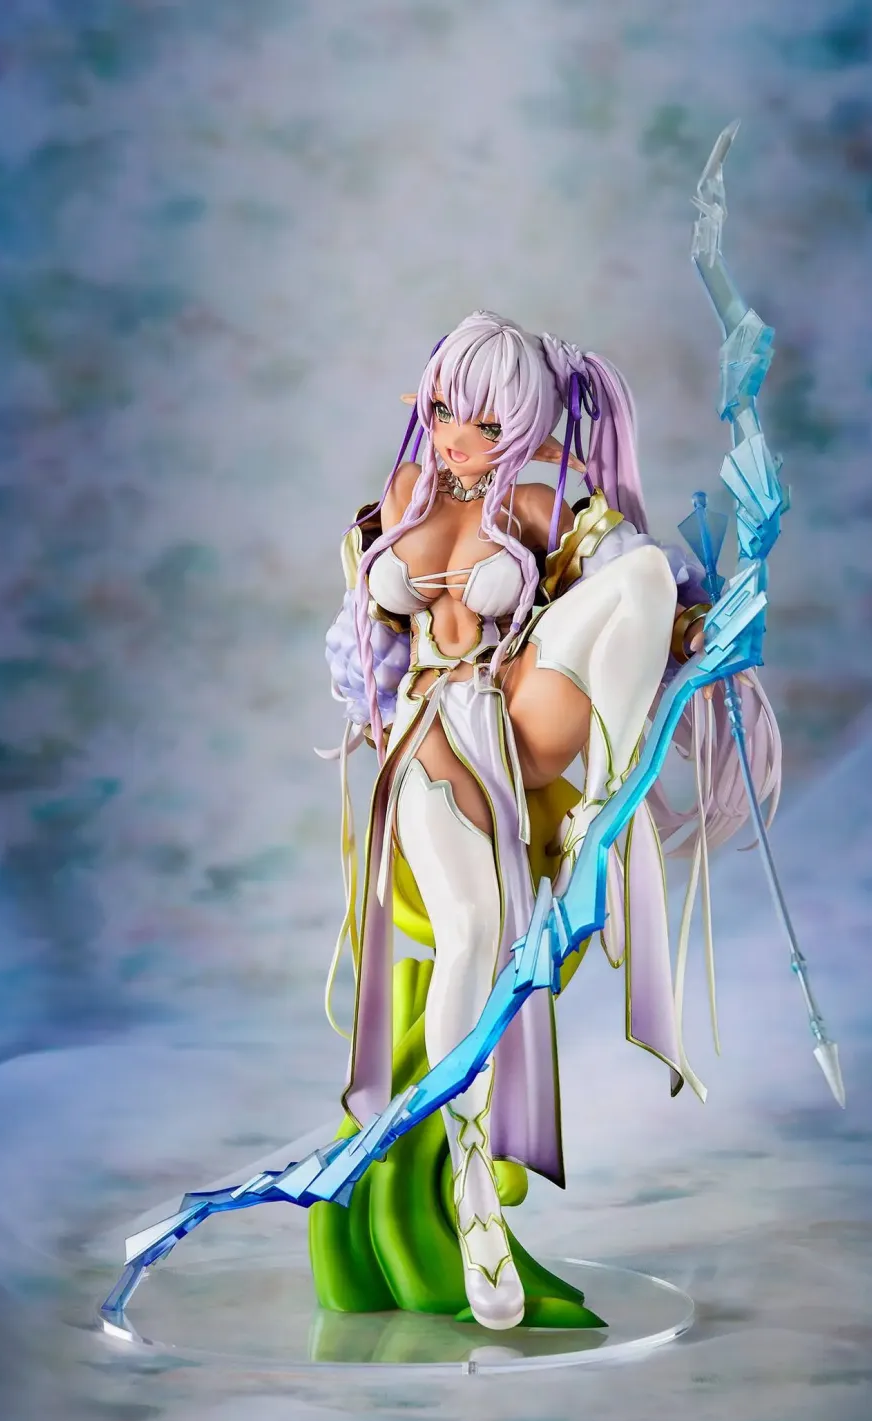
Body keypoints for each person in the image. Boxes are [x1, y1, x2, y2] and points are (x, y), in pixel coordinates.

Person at [317, 310, 781, 1332]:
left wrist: (709, 620)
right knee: (475, 934)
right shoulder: (401, 495)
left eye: (486, 424)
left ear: (524, 427)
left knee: (641, 576)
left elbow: (641, 584)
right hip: (428, 739)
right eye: (448, 409)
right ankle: (471, 1193)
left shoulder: (533, 505)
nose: (457, 437)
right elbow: (361, 648)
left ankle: (603, 813)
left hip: (516, 718)